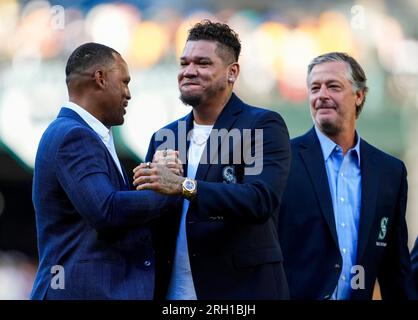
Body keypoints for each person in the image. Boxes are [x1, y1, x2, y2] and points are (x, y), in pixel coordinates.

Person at [133, 20, 291, 300]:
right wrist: (147, 186)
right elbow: (147, 215)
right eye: (184, 63)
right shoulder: (165, 136)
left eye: (203, 63)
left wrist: (184, 186)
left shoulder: (261, 125)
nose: (189, 71)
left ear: (232, 72)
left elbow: (259, 199)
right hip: (173, 295)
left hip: (240, 293)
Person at [31, 42, 182, 299]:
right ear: (100, 78)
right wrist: (169, 190)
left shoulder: (86, 134)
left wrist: (153, 176)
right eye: (124, 82)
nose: (128, 93)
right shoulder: (74, 135)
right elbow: (107, 210)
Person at [278, 52, 416, 300]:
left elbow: (395, 268)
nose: (322, 95)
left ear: (359, 95)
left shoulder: (390, 172)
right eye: (315, 88)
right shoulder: (282, 160)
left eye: (333, 86)